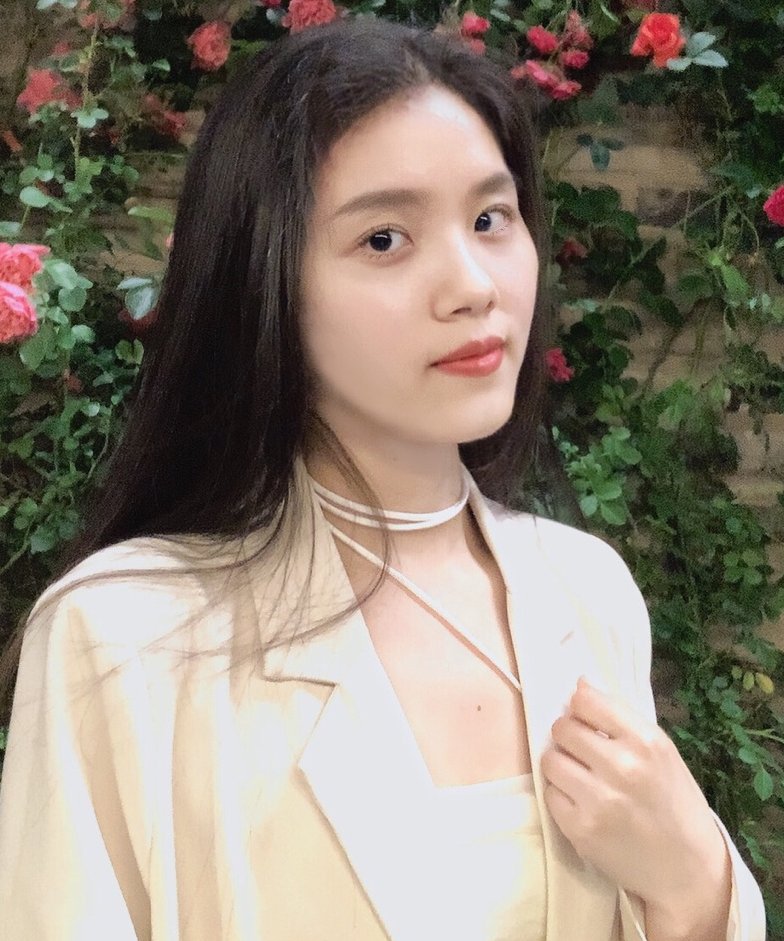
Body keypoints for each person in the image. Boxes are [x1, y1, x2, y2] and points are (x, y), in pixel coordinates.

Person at [0, 17, 766, 941]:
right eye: (385, 239)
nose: (473, 285)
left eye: (490, 219)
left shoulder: (586, 591)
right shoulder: (124, 640)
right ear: (264, 278)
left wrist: (695, 884)